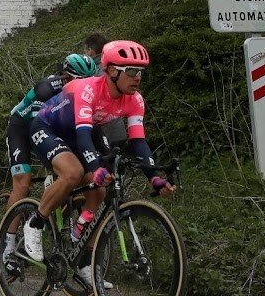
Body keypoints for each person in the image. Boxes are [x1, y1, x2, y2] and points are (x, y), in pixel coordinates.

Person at [23, 40, 176, 288]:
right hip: (49, 127)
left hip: (81, 132)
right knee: (73, 173)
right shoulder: (88, 90)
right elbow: (83, 136)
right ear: (112, 71)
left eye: (141, 72)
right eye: (132, 72)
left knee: (101, 190)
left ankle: (84, 261)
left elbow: (139, 142)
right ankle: (36, 221)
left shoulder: (135, 99)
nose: (137, 78)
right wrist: (95, 167)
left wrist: (154, 178)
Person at [0, 53, 99, 274]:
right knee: (23, 183)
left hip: (54, 129)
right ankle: (7, 246)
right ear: (65, 77)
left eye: (90, 81)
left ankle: (69, 243)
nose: (85, 86)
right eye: (79, 80)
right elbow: (39, 127)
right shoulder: (47, 88)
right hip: (23, 128)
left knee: (79, 177)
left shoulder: (86, 95)